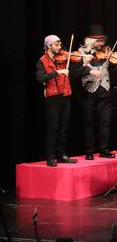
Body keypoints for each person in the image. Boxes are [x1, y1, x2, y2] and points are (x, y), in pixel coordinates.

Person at [79, 25, 117, 160]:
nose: (101, 43)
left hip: (105, 91)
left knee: (105, 122)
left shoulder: (107, 53)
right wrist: (88, 68)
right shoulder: (81, 53)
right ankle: (89, 151)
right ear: (90, 41)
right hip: (89, 92)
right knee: (89, 123)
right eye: (98, 41)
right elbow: (76, 72)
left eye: (102, 41)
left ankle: (104, 149)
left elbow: (111, 71)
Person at [36, 35, 77, 166]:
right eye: (56, 45)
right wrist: (57, 72)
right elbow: (40, 78)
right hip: (52, 98)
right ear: (49, 46)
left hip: (65, 95)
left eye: (60, 45)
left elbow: (75, 71)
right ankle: (50, 157)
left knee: (63, 128)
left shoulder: (63, 58)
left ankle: (62, 155)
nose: (59, 47)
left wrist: (85, 63)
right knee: (52, 128)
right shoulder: (42, 61)